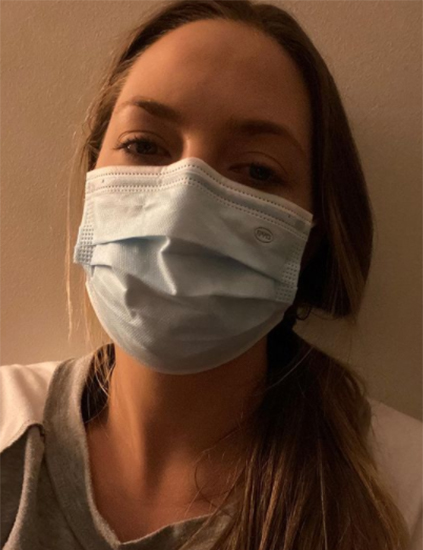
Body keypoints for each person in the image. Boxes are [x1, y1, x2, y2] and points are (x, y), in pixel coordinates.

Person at [1, 1, 421, 549]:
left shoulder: (403, 495)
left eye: (257, 170)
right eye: (144, 145)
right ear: (93, 174)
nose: (182, 206)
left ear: (311, 236)